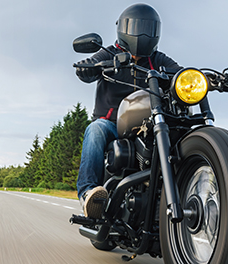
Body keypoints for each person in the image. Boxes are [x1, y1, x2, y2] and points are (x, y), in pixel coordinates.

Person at [75, 3, 182, 219]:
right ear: (124, 28)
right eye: (136, 26)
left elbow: (181, 74)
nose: (141, 33)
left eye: (147, 28)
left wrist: (211, 79)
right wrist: (89, 66)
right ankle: (88, 194)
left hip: (148, 127)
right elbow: (85, 69)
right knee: (94, 130)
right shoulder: (108, 53)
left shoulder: (158, 60)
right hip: (112, 124)